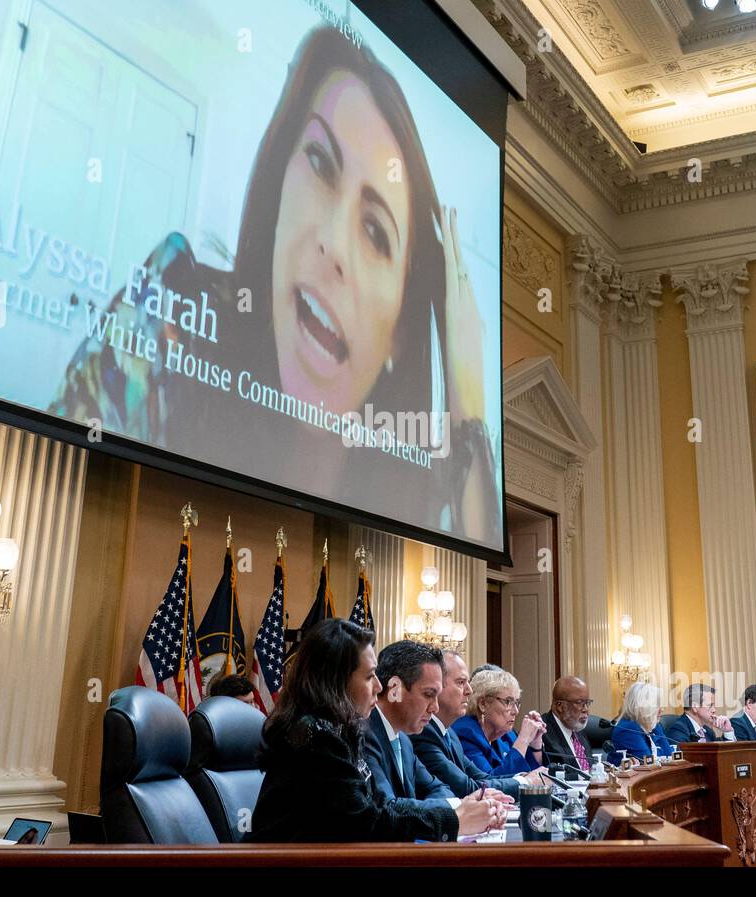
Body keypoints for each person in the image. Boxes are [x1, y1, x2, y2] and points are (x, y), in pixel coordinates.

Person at [51, 27, 500, 544]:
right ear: (279, 181)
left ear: (400, 331)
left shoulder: (416, 484)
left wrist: (470, 409)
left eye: (376, 231)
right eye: (319, 162)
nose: (332, 242)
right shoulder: (173, 309)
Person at [250, 618, 502, 842]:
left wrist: (456, 812)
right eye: (370, 676)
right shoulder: (315, 737)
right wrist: (454, 820)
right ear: (338, 679)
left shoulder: (338, 732)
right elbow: (369, 823)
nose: (379, 685)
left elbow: (379, 804)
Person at [413, 650, 539, 799]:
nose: (469, 690)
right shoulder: (428, 733)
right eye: (461, 682)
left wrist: (529, 778)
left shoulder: (450, 734)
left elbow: (482, 779)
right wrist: (526, 781)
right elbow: (466, 788)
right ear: (438, 687)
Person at [363, 641, 459, 806]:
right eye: (428, 694)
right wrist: (456, 809)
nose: (435, 708)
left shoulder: (404, 740)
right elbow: (388, 807)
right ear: (395, 688)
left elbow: (439, 789)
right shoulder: (364, 734)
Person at [452, 666, 544, 774]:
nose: (515, 711)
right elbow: (489, 783)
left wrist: (535, 745)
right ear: (483, 704)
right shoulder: (465, 734)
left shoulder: (508, 735)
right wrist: (523, 740)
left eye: (516, 703)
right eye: (508, 702)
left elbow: (537, 778)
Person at [607, 681, 674, 763]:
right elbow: (648, 763)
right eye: (657, 705)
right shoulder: (628, 729)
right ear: (644, 707)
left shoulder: (655, 727)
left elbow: (671, 757)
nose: (662, 709)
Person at [541, 676, 596, 771]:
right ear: (560, 706)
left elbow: (590, 768)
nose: (586, 709)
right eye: (579, 703)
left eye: (587, 703)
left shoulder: (577, 729)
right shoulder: (543, 733)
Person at [666, 682, 734, 744]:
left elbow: (721, 753)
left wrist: (727, 731)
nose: (714, 710)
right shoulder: (679, 730)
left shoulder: (708, 731)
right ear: (695, 707)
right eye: (710, 705)